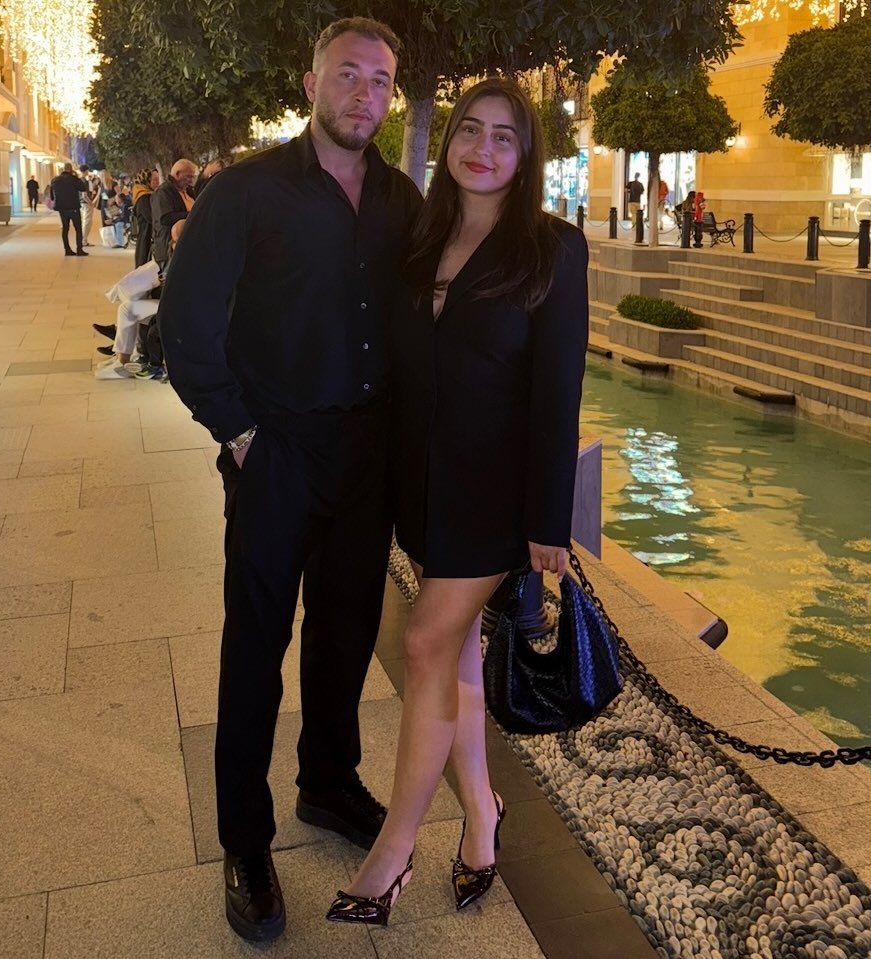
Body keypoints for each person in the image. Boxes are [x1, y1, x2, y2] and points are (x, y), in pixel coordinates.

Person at [158, 16, 422, 944]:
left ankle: (328, 781)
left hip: (366, 454)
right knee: (254, 649)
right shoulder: (246, 191)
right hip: (275, 453)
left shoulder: (400, 201)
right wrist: (239, 435)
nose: (364, 93)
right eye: (347, 74)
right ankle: (244, 840)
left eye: (379, 80)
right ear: (311, 85)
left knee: (346, 633)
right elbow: (185, 325)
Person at [326, 77, 588, 926]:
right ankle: (482, 817)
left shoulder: (552, 248)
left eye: (504, 136)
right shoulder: (422, 234)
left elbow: (557, 393)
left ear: (525, 154)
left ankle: (393, 849)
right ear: (448, 142)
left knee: (425, 642)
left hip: (494, 497)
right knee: (458, 658)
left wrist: (547, 522)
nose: (483, 148)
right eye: (470, 130)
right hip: (422, 489)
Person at [150, 159, 196, 268]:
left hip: (186, 246)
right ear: (178, 174)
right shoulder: (163, 192)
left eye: (192, 177)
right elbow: (165, 217)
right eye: (188, 177)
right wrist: (193, 215)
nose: (191, 181)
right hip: (169, 249)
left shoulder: (188, 190)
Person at [49, 163, 88, 256]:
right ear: (71, 169)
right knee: (78, 228)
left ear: (63, 169)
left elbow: (52, 196)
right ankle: (79, 249)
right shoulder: (73, 179)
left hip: (61, 208)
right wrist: (76, 176)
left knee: (65, 229)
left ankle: (67, 249)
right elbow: (83, 188)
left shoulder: (55, 180)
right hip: (73, 207)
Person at [131, 168, 159, 267]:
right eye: (155, 179)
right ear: (146, 181)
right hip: (146, 240)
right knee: (144, 269)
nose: (158, 182)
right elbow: (151, 218)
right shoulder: (143, 198)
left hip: (146, 238)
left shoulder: (147, 195)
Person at [79, 166, 98, 247]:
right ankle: (84, 240)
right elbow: (85, 195)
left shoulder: (79, 180)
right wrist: (91, 203)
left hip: (80, 203)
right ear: (86, 171)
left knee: (83, 222)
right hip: (86, 203)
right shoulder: (85, 182)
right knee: (87, 222)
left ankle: (82, 239)